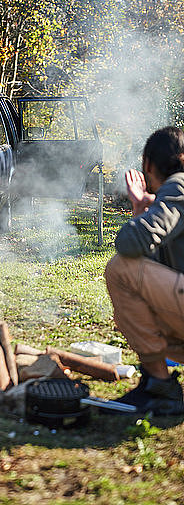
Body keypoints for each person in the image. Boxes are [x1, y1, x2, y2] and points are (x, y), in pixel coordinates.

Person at [105, 126, 184, 415]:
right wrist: (142, 208)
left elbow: (128, 245)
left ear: (148, 164)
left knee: (119, 270)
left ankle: (161, 387)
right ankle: (155, 382)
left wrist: (146, 207)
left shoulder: (178, 186)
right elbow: (152, 264)